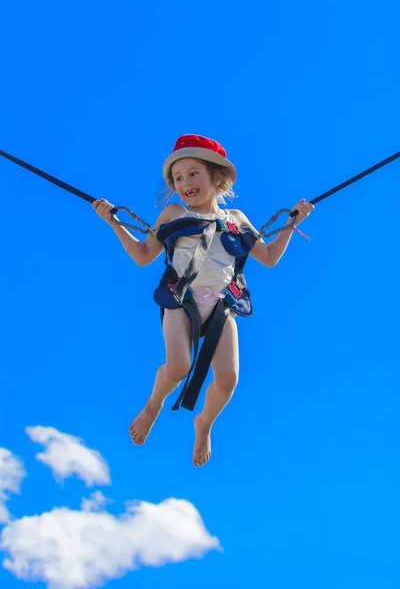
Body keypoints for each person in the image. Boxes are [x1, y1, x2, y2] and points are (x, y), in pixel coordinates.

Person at [93, 134, 314, 467]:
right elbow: (143, 255)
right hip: (181, 300)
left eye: (193, 173)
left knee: (228, 380)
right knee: (179, 366)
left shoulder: (236, 219)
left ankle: (204, 423)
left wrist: (290, 224)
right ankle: (153, 405)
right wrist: (113, 222)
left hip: (223, 306)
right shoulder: (172, 212)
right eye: (178, 178)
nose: (185, 183)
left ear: (217, 177)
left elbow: (268, 257)